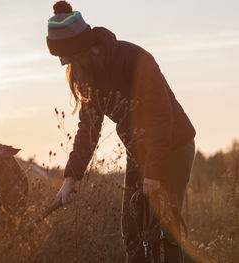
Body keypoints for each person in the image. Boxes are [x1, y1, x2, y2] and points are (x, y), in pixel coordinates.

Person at [46, 1, 196, 262]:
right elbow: (89, 128)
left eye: (64, 56)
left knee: (165, 231)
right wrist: (71, 177)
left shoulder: (135, 59)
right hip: (137, 152)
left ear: (80, 47)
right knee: (132, 230)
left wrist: (154, 173)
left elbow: (161, 117)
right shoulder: (87, 76)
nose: (62, 63)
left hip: (172, 148)